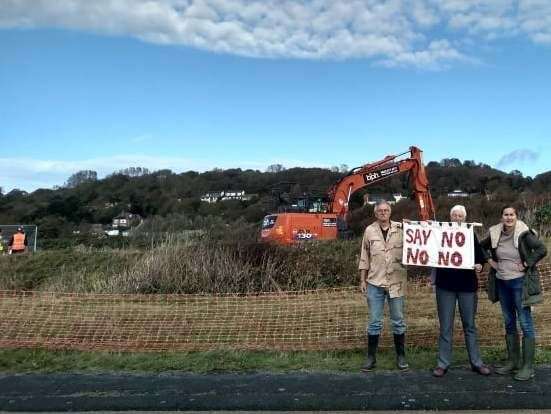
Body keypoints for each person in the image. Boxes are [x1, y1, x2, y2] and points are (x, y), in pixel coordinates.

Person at [481, 205, 547, 381]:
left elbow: (542, 249)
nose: (508, 217)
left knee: (525, 322)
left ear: (516, 217)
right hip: (502, 283)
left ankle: (527, 366)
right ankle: (513, 361)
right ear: (501, 217)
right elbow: (480, 247)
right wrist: (489, 261)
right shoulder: (496, 233)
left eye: (512, 215)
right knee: (509, 321)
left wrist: (526, 263)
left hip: (520, 283)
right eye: (505, 214)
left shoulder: (524, 234)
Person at [432, 205, 491, 377]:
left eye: (460, 216)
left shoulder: (470, 234)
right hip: (445, 286)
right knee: (445, 326)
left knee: (470, 325)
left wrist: (480, 265)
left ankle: (476, 362)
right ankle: (443, 364)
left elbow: (480, 259)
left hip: (467, 286)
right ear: (450, 217)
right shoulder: (440, 233)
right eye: (454, 215)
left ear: (464, 218)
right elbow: (427, 247)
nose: (457, 218)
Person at [359, 200, 408, 371]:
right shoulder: (369, 231)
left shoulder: (402, 228)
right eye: (380, 210)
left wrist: (417, 226)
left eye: (386, 210)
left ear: (390, 212)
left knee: (398, 321)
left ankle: (401, 356)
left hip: (396, 282)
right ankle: (371, 358)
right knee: (374, 322)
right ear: (375, 213)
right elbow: (364, 255)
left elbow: (420, 242)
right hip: (374, 282)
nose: (383, 212)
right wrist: (362, 279)